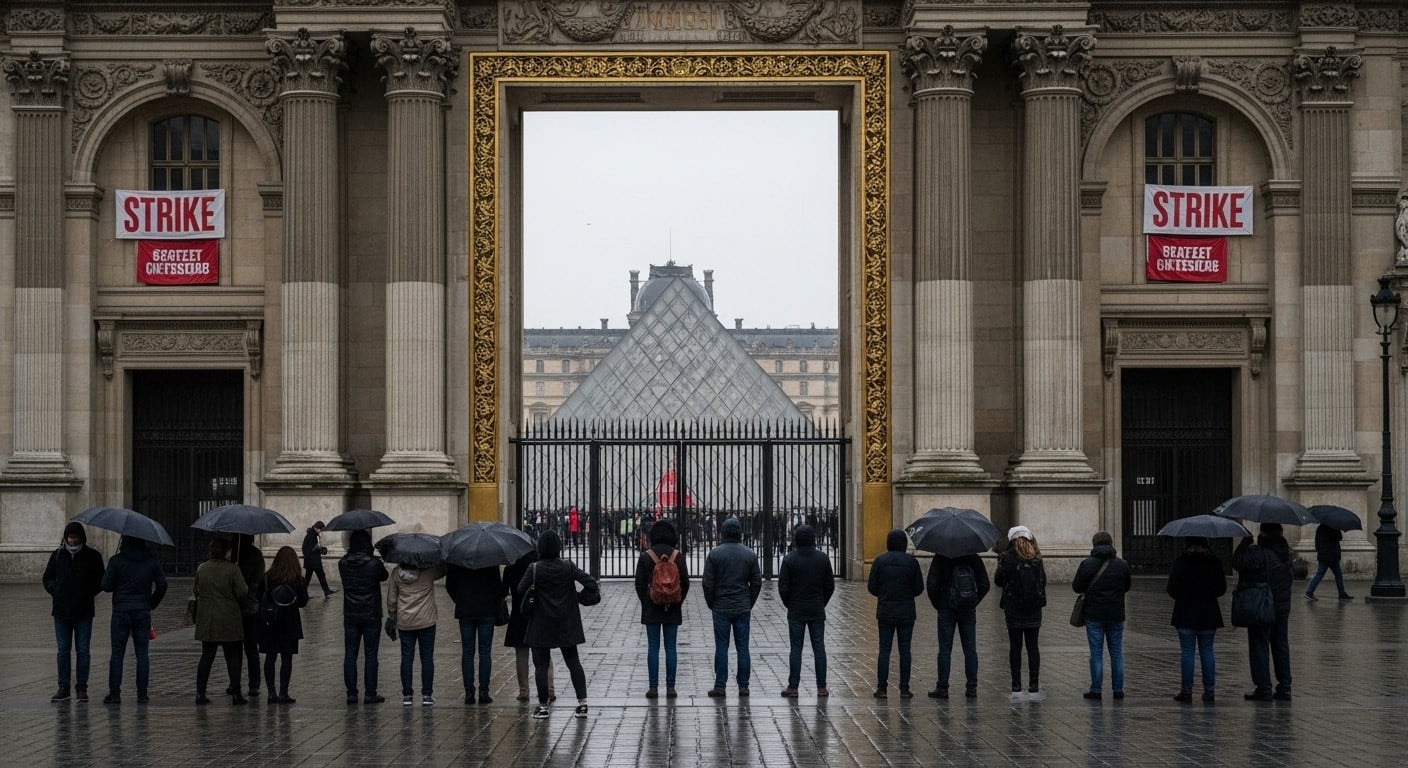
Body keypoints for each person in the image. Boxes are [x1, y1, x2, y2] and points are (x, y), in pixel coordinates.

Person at [519, 530, 599, 720]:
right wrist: (577, 597)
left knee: (541, 665)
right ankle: (582, 703)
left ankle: (543, 706)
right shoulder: (567, 566)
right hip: (566, 622)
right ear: (558, 548)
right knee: (573, 662)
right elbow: (590, 582)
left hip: (541, 623)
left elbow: (520, 589)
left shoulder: (534, 569)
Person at [43, 521, 106, 703]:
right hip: (61, 610)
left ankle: (82, 687)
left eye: (75, 537)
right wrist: (56, 590)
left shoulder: (92, 556)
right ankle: (63, 686)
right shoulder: (57, 555)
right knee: (63, 650)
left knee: (83, 650)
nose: (72, 540)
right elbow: (47, 578)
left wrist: (87, 593)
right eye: (69, 537)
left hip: (84, 610)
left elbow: (100, 580)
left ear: (81, 537)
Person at [100, 535, 167, 705]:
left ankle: (114, 694)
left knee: (117, 654)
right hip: (142, 611)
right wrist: (152, 603)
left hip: (121, 610)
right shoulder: (151, 561)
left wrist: (114, 571)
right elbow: (162, 585)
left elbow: (106, 586)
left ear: (124, 542)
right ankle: (142, 694)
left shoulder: (116, 560)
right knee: (142, 655)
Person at [702, 516, 762, 697]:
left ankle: (720, 685)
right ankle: (743, 685)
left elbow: (707, 583)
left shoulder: (715, 554)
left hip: (721, 606)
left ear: (723, 533)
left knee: (722, 646)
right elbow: (757, 582)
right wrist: (748, 601)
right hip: (742, 606)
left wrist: (712, 602)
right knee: (743, 647)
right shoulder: (749, 554)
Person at [1233, 523, 1294, 701]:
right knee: (1281, 646)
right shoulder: (1287, 553)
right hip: (1282, 607)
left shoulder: (1260, 554)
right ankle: (1285, 687)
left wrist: (1244, 543)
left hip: (1262, 606)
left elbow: (1238, 562)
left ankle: (1264, 687)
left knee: (1259, 646)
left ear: (1263, 534)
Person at [925, 543, 991, 700]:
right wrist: (973, 601)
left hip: (946, 608)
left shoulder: (941, 557)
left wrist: (939, 604)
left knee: (945, 649)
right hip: (968, 609)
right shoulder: (973, 557)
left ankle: (942, 687)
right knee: (970, 649)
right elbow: (985, 584)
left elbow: (931, 585)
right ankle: (972, 688)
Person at [634, 519, 690, 698]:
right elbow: (686, 583)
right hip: (672, 607)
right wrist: (676, 601)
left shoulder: (646, 556)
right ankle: (671, 687)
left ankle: (653, 687)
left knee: (653, 647)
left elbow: (639, 584)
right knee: (671, 647)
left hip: (652, 607)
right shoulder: (677, 556)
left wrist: (647, 601)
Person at [1072, 531, 1132, 701]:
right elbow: (1127, 587)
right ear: (1111, 544)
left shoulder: (1087, 564)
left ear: (1094, 544)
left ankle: (1096, 689)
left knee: (1096, 653)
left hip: (1094, 614)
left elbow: (1077, 587)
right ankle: (1118, 690)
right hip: (1116, 615)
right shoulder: (1122, 565)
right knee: (1117, 652)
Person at [1166, 536, 1225, 703]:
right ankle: (1209, 691)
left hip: (1185, 612)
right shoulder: (1214, 562)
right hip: (1208, 613)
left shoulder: (1181, 562)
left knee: (1187, 652)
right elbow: (1221, 589)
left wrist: (1184, 597)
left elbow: (1171, 589)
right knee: (1207, 652)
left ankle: (1186, 691)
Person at [779, 524, 836, 697]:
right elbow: (830, 586)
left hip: (796, 609)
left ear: (796, 539)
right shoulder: (823, 558)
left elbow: (783, 588)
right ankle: (822, 686)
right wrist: (821, 602)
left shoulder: (789, 559)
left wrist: (790, 603)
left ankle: (793, 686)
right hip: (817, 609)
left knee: (796, 648)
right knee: (819, 647)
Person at [866, 529, 924, 699]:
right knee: (905, 650)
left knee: (884, 650)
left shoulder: (879, 560)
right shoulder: (912, 562)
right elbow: (919, 588)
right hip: (906, 611)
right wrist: (906, 594)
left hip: (885, 611)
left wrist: (884, 595)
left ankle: (882, 688)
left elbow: (872, 587)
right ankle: (904, 688)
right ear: (904, 544)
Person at [993, 525, 1046, 702]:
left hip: (1014, 608)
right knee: (1033, 647)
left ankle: (1016, 685)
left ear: (1012, 540)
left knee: (1015, 647)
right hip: (1034, 609)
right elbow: (1043, 582)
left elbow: (998, 580)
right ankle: (1034, 685)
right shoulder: (1036, 558)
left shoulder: (1008, 557)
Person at [193, 537, 248, 705]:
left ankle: (200, 693)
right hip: (228, 618)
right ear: (225, 551)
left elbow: (197, 589)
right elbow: (242, 591)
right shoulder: (233, 569)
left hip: (207, 618)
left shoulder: (202, 568)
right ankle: (236, 694)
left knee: (207, 656)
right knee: (232, 657)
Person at [339, 529, 389, 704]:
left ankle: (351, 693)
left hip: (351, 613)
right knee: (371, 653)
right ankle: (370, 692)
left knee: (350, 654)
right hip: (371, 613)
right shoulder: (373, 563)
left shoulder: (343, 563)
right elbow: (384, 576)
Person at [387, 557, 446, 706]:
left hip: (405, 621)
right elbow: (444, 569)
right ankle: (427, 695)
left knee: (406, 658)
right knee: (427, 658)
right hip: (427, 621)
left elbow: (392, 600)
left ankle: (407, 695)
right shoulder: (428, 573)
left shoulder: (396, 574)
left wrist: (393, 616)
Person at [447, 562, 506, 705]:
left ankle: (469, 693)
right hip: (487, 610)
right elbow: (498, 586)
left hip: (465, 610)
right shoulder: (490, 559)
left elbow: (450, 586)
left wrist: (460, 599)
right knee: (485, 652)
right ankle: (484, 692)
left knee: (467, 652)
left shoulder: (458, 560)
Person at [259, 545, 310, 703]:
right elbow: (303, 602)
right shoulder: (297, 579)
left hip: (270, 622)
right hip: (290, 623)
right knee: (286, 658)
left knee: (270, 657)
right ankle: (283, 692)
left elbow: (260, 597)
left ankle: (271, 693)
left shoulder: (268, 577)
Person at [504, 547, 553, 702]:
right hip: (539, 614)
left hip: (519, 615)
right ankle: (549, 689)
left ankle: (524, 691)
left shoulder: (510, 568)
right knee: (544, 654)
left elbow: (504, 591)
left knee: (521, 654)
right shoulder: (540, 566)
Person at [235, 535, 266, 699]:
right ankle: (254, 684)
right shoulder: (256, 554)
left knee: (235, 649)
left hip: (235, 607)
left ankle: (235, 683)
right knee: (251, 648)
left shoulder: (233, 553)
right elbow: (260, 578)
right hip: (251, 606)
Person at [1305, 523, 1352, 601]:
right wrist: (1338, 528)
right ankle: (1342, 594)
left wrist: (1320, 551)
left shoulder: (1320, 528)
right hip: (1332, 556)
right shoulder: (1334, 527)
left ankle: (1309, 592)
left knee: (1319, 574)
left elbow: (1317, 542)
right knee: (1338, 575)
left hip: (1323, 555)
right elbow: (1339, 537)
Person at [302, 521, 337, 597]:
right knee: (310, 578)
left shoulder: (314, 535)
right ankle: (303, 594)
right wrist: (314, 549)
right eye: (320, 529)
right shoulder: (310, 535)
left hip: (314, 561)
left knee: (318, 576)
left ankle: (326, 591)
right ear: (316, 528)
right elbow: (305, 548)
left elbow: (316, 547)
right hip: (312, 561)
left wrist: (321, 549)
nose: (321, 530)